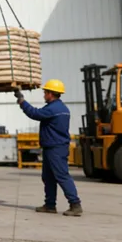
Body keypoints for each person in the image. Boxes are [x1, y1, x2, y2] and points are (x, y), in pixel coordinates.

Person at [15, 79, 82, 216]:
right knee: (48, 177)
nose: (44, 95)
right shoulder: (62, 108)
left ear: (51, 94)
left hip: (55, 148)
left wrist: (22, 101)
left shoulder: (53, 109)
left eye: (45, 92)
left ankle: (75, 205)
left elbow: (35, 113)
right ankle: (50, 205)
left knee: (62, 176)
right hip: (53, 147)